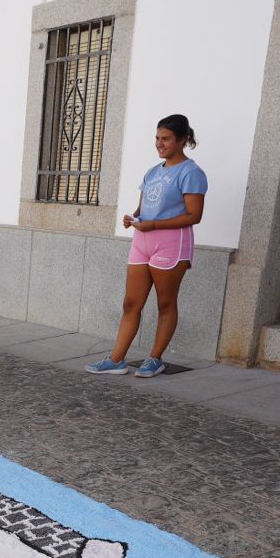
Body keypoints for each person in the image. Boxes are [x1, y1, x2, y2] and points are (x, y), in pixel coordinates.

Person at [85, 114, 207, 379]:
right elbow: (144, 208)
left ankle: (155, 359)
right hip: (143, 241)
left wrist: (155, 225)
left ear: (183, 139)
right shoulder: (153, 171)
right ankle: (117, 359)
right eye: (157, 138)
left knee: (165, 303)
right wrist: (134, 218)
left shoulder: (191, 173)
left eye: (165, 139)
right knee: (131, 303)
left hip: (171, 244)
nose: (159, 144)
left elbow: (193, 215)